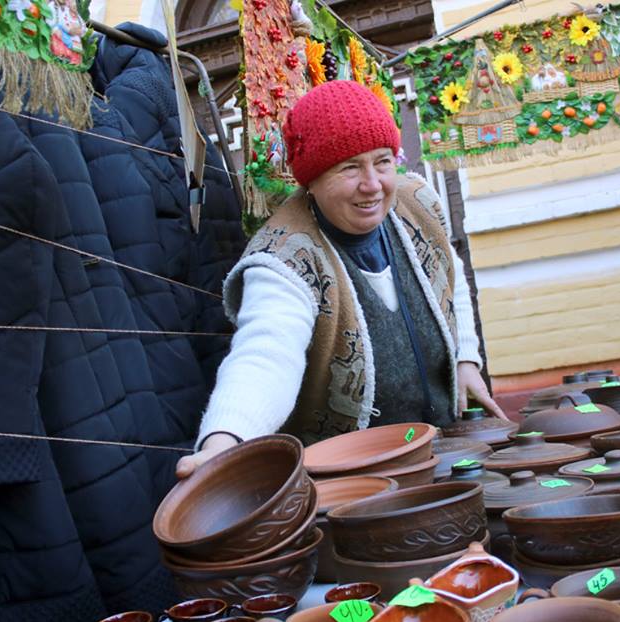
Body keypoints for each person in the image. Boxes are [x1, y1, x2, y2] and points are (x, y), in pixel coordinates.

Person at [177, 80, 505, 477]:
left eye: (382, 161)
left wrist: (466, 358)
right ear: (311, 180)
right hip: (354, 482)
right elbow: (265, 355)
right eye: (350, 167)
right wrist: (224, 444)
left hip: (446, 450)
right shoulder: (283, 257)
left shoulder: (417, 203)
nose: (372, 185)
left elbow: (450, 277)